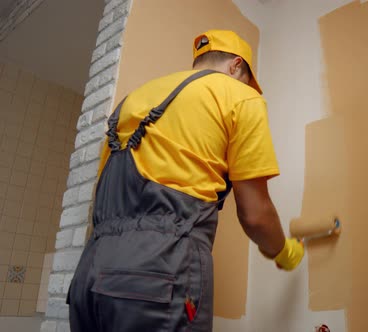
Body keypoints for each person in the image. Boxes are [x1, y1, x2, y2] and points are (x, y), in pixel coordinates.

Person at [67, 30, 304, 332]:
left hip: (89, 275)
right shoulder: (239, 96)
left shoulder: (134, 100)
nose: (246, 87)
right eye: (245, 78)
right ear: (235, 66)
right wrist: (281, 251)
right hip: (159, 274)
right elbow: (255, 215)